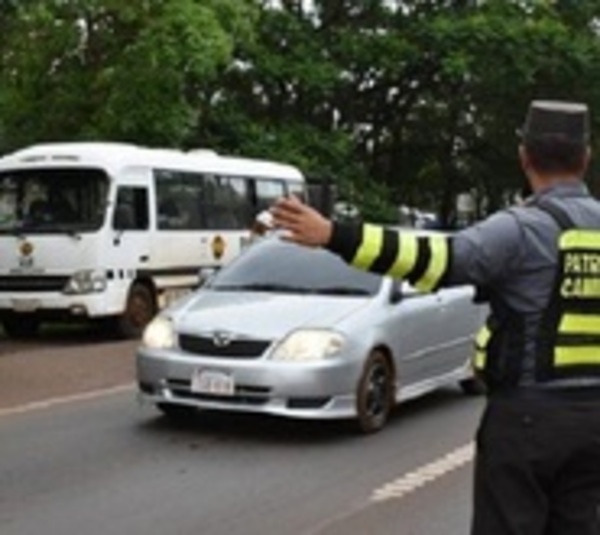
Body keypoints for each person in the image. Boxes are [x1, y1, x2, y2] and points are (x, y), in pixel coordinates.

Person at [271, 100, 600, 535]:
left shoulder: (521, 229)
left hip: (527, 420)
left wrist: (335, 235)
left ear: (524, 156)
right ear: (586, 157)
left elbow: (433, 259)